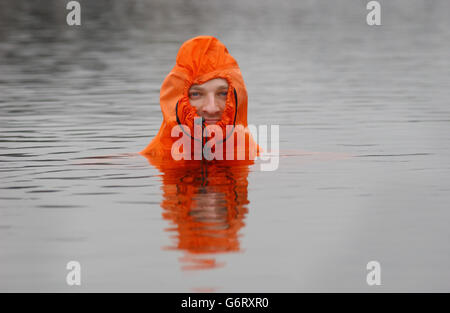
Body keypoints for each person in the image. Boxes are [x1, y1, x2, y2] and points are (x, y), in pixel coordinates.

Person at [140, 36, 258, 161]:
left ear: (237, 98)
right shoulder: (148, 160)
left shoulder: (257, 156)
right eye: (196, 94)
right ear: (176, 99)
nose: (212, 109)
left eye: (223, 93)